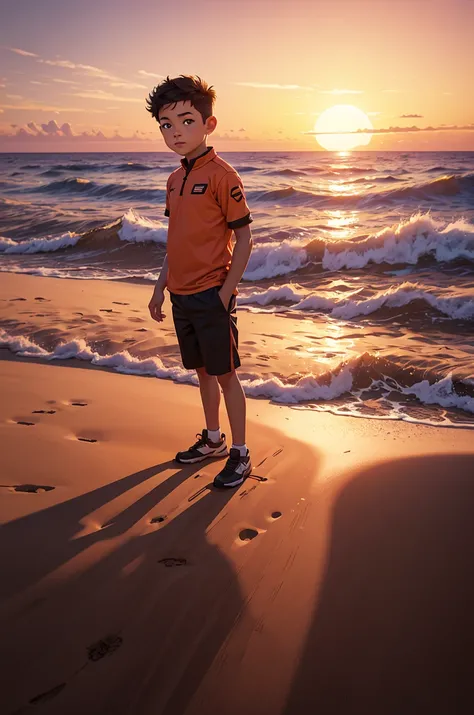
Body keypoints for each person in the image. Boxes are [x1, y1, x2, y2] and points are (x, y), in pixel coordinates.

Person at [145, 75, 253, 488]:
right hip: (181, 294)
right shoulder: (174, 179)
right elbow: (177, 240)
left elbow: (244, 237)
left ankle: (240, 453)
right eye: (166, 125)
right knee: (203, 373)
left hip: (212, 294)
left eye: (186, 121)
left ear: (209, 124)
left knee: (226, 375)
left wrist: (225, 293)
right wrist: (161, 285)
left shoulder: (225, 176)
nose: (175, 132)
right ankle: (213, 441)